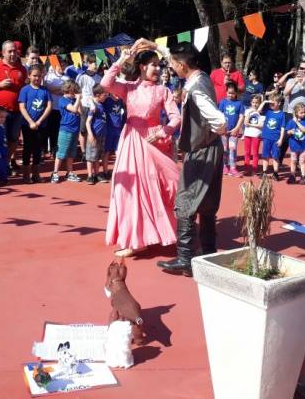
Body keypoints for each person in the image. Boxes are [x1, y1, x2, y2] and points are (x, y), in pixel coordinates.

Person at [101, 44, 181, 258]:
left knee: (163, 186)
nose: (158, 69)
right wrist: (121, 60)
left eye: (159, 65)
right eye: (154, 65)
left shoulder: (163, 91)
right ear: (142, 67)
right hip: (131, 141)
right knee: (128, 189)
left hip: (154, 142)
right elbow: (105, 83)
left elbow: (176, 117)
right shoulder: (128, 88)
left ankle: (168, 231)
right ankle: (135, 240)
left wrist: (163, 132)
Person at [157, 41, 226, 276]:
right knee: (207, 203)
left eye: (173, 64)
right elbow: (173, 55)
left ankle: (186, 258)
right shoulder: (200, 77)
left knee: (186, 200)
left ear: (182, 65)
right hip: (211, 148)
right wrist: (153, 45)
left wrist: (217, 129)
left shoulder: (196, 88)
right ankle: (208, 254)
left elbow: (219, 121)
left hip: (201, 150)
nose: (170, 67)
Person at [0, 40, 27, 173]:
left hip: (17, 110)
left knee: (14, 139)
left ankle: (5, 163)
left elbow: (24, 87)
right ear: (3, 53)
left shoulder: (22, 69)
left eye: (14, 51)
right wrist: (0, 85)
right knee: (0, 139)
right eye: (10, 51)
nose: (13, 54)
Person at [19, 63, 51, 184]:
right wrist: (31, 122)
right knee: (27, 149)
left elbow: (48, 106)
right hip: (27, 125)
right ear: (29, 76)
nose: (37, 78)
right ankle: (26, 175)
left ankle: (36, 174)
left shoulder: (45, 90)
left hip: (41, 125)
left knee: (38, 149)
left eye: (39, 76)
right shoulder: (25, 90)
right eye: (34, 75)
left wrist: (39, 121)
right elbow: (22, 107)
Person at [51, 81, 82, 184]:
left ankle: (69, 173)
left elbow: (80, 111)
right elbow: (74, 110)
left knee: (71, 153)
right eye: (74, 91)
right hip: (65, 130)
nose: (75, 93)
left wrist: (78, 100)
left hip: (75, 130)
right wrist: (78, 99)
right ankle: (55, 173)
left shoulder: (74, 100)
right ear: (68, 90)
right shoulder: (63, 100)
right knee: (61, 152)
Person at [44, 50, 66, 159]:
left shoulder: (67, 78)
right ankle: (45, 150)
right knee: (48, 130)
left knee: (58, 131)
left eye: (63, 65)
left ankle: (55, 150)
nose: (62, 67)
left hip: (61, 108)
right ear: (55, 66)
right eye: (60, 65)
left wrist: (56, 90)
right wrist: (60, 90)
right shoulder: (49, 76)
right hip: (50, 107)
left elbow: (67, 91)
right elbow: (48, 88)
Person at [218, 81, 244, 177]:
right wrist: (222, 128)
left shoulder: (239, 103)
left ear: (236, 93)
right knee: (224, 150)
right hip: (224, 131)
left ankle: (233, 168)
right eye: (229, 93)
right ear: (226, 92)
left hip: (234, 132)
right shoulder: (223, 102)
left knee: (232, 149)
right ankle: (224, 166)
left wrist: (236, 128)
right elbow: (219, 115)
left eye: (233, 93)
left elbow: (241, 117)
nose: (230, 95)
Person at [258, 93, 285, 180]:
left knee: (275, 156)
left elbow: (282, 128)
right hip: (267, 137)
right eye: (270, 102)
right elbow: (258, 111)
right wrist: (265, 102)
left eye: (273, 102)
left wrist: (281, 139)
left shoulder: (282, 114)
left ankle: (275, 173)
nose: (271, 104)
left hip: (276, 138)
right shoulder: (268, 112)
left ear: (279, 103)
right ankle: (264, 172)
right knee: (265, 155)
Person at [85, 85, 108, 184]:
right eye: (104, 95)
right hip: (94, 135)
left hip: (102, 135)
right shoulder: (93, 107)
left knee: (98, 156)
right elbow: (87, 122)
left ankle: (97, 174)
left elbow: (90, 97)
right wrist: (90, 134)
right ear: (98, 95)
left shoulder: (101, 104)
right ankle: (90, 176)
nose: (106, 96)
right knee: (91, 157)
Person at [286, 103, 305, 184]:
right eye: (301, 113)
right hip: (293, 146)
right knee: (293, 161)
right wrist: (290, 131)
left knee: (302, 162)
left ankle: (303, 176)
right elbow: (287, 131)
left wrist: (297, 122)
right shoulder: (291, 122)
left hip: (303, 146)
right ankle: (292, 175)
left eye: (304, 112)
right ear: (296, 113)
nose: (303, 114)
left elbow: (304, 130)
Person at [243, 94, 265, 176]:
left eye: (256, 103)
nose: (254, 104)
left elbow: (261, 126)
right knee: (247, 152)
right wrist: (249, 113)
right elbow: (245, 123)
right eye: (253, 102)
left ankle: (254, 170)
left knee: (255, 153)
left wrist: (251, 125)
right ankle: (246, 169)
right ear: (251, 103)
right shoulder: (247, 111)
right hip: (247, 134)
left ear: (259, 104)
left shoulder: (261, 113)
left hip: (256, 135)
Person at [103, 93, 125, 171]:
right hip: (109, 131)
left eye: (118, 93)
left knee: (118, 151)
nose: (117, 95)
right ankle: (105, 171)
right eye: (115, 93)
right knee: (107, 152)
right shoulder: (107, 100)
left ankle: (119, 171)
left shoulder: (120, 100)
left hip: (118, 130)